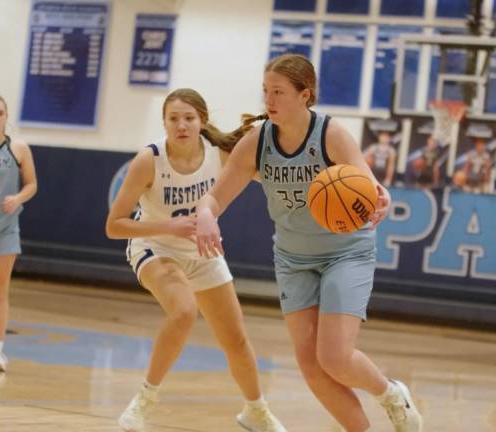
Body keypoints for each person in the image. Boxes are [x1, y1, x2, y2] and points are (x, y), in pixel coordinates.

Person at [193, 54, 422, 432]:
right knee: (311, 368)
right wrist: (205, 215)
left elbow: (369, 186)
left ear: (305, 95)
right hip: (293, 259)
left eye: (279, 92)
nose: (269, 99)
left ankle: (390, 394)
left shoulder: (331, 135)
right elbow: (214, 198)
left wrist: (382, 197)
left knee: (335, 357)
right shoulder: (256, 142)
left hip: (346, 253)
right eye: (266, 91)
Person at [105, 88, 285, 432]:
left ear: (202, 121)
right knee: (184, 311)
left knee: (236, 339)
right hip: (154, 247)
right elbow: (114, 225)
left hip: (202, 251)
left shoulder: (220, 155)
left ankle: (256, 410)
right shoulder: (149, 159)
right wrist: (167, 226)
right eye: (173, 119)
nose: (182, 125)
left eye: (189, 118)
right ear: (164, 123)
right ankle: (144, 400)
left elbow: (273, 176)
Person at [0, 95, 37, 372]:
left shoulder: (19, 148)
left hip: (4, 227)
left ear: (6, 117)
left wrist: (18, 198)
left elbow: (32, 184)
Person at [362, 119, 398, 188]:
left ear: (389, 138)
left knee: (390, 163)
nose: (384, 138)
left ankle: (387, 180)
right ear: (379, 137)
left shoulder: (391, 150)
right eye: (382, 136)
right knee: (369, 158)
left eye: (386, 136)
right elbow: (364, 158)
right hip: (374, 170)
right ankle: (367, 177)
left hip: (383, 170)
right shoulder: (374, 147)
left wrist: (388, 179)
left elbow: (391, 166)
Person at [459, 124, 492, 194]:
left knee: (480, 192)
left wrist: (486, 181)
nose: (480, 147)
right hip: (469, 179)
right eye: (479, 145)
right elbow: (466, 167)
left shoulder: (486, 156)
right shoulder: (471, 154)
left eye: (482, 145)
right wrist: (463, 177)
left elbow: (487, 170)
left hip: (479, 181)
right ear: (476, 145)